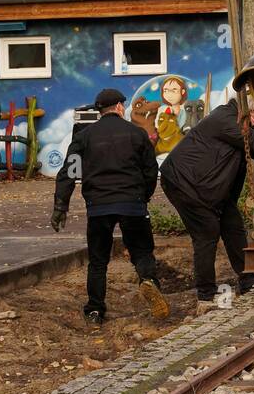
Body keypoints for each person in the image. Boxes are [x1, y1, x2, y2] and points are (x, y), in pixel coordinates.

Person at [160, 95, 254, 313]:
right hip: (186, 185)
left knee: (233, 227)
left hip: (210, 189)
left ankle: (248, 281)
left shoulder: (235, 121)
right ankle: (206, 296)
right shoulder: (225, 118)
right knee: (207, 234)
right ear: (249, 110)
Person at [53, 88, 169, 326]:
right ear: (118, 107)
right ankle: (148, 281)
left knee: (98, 261)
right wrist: (143, 197)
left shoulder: (84, 137)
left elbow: (69, 172)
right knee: (142, 252)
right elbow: (150, 171)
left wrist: (60, 206)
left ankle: (95, 310)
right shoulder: (137, 134)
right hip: (132, 204)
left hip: (99, 207)